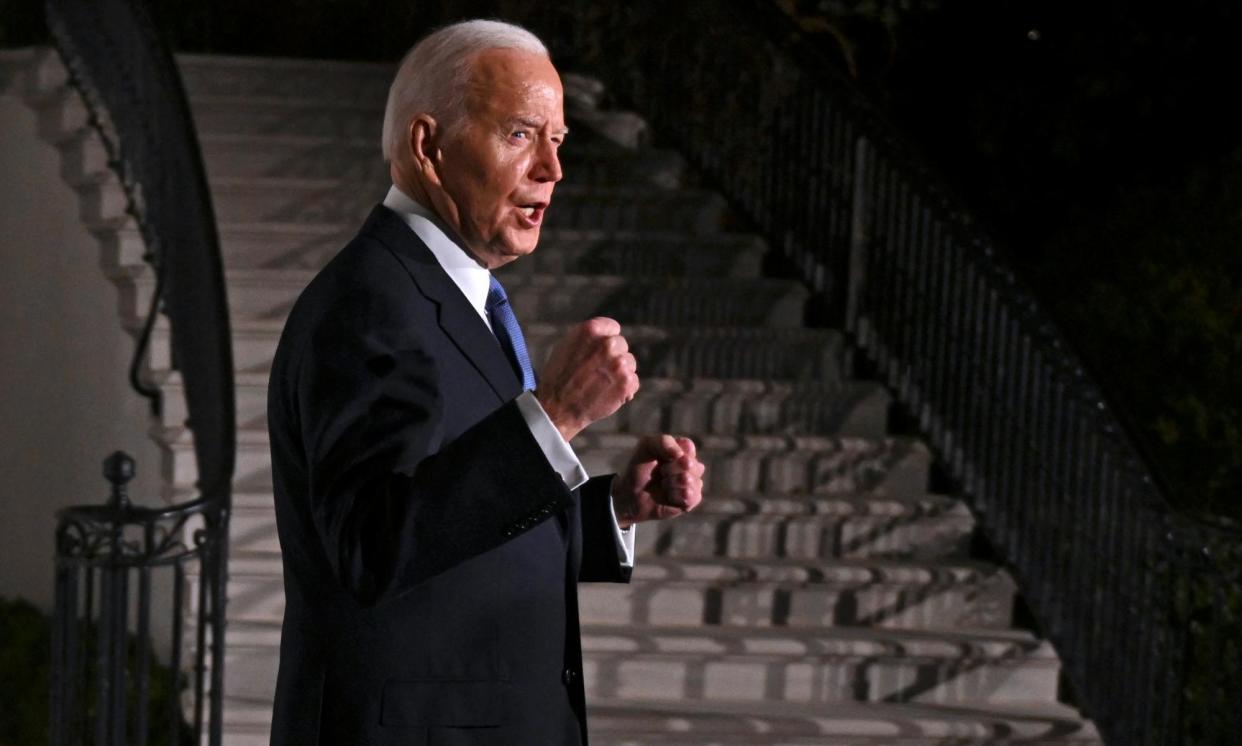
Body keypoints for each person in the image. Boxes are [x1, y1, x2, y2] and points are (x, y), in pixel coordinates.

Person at [266, 19, 706, 746]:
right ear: (427, 147)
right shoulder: (370, 304)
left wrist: (610, 513)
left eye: (557, 141)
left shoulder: (457, 295)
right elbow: (372, 547)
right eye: (519, 135)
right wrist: (557, 413)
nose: (552, 171)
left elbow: (460, 525)